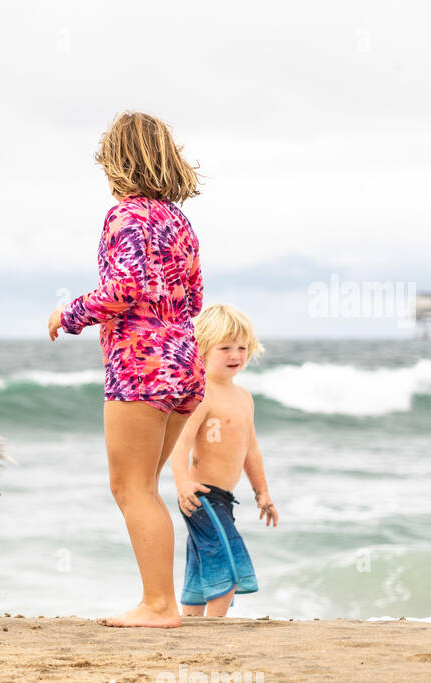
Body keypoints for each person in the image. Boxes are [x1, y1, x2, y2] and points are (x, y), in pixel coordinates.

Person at [47, 111, 205, 629]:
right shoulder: (178, 221)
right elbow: (194, 296)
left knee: (131, 488)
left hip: (140, 363)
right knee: (146, 487)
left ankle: (159, 606)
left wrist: (67, 314)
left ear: (117, 162)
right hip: (185, 359)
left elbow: (123, 290)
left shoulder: (126, 216)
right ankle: (162, 601)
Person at [169, 305, 277, 617]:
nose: (236, 354)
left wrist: (262, 493)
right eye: (226, 347)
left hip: (224, 498)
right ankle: (215, 630)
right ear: (202, 348)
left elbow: (250, 450)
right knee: (226, 565)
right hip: (200, 494)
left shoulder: (244, 397)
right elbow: (180, 441)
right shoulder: (202, 394)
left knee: (201, 562)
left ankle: (190, 621)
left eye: (242, 347)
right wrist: (183, 483)